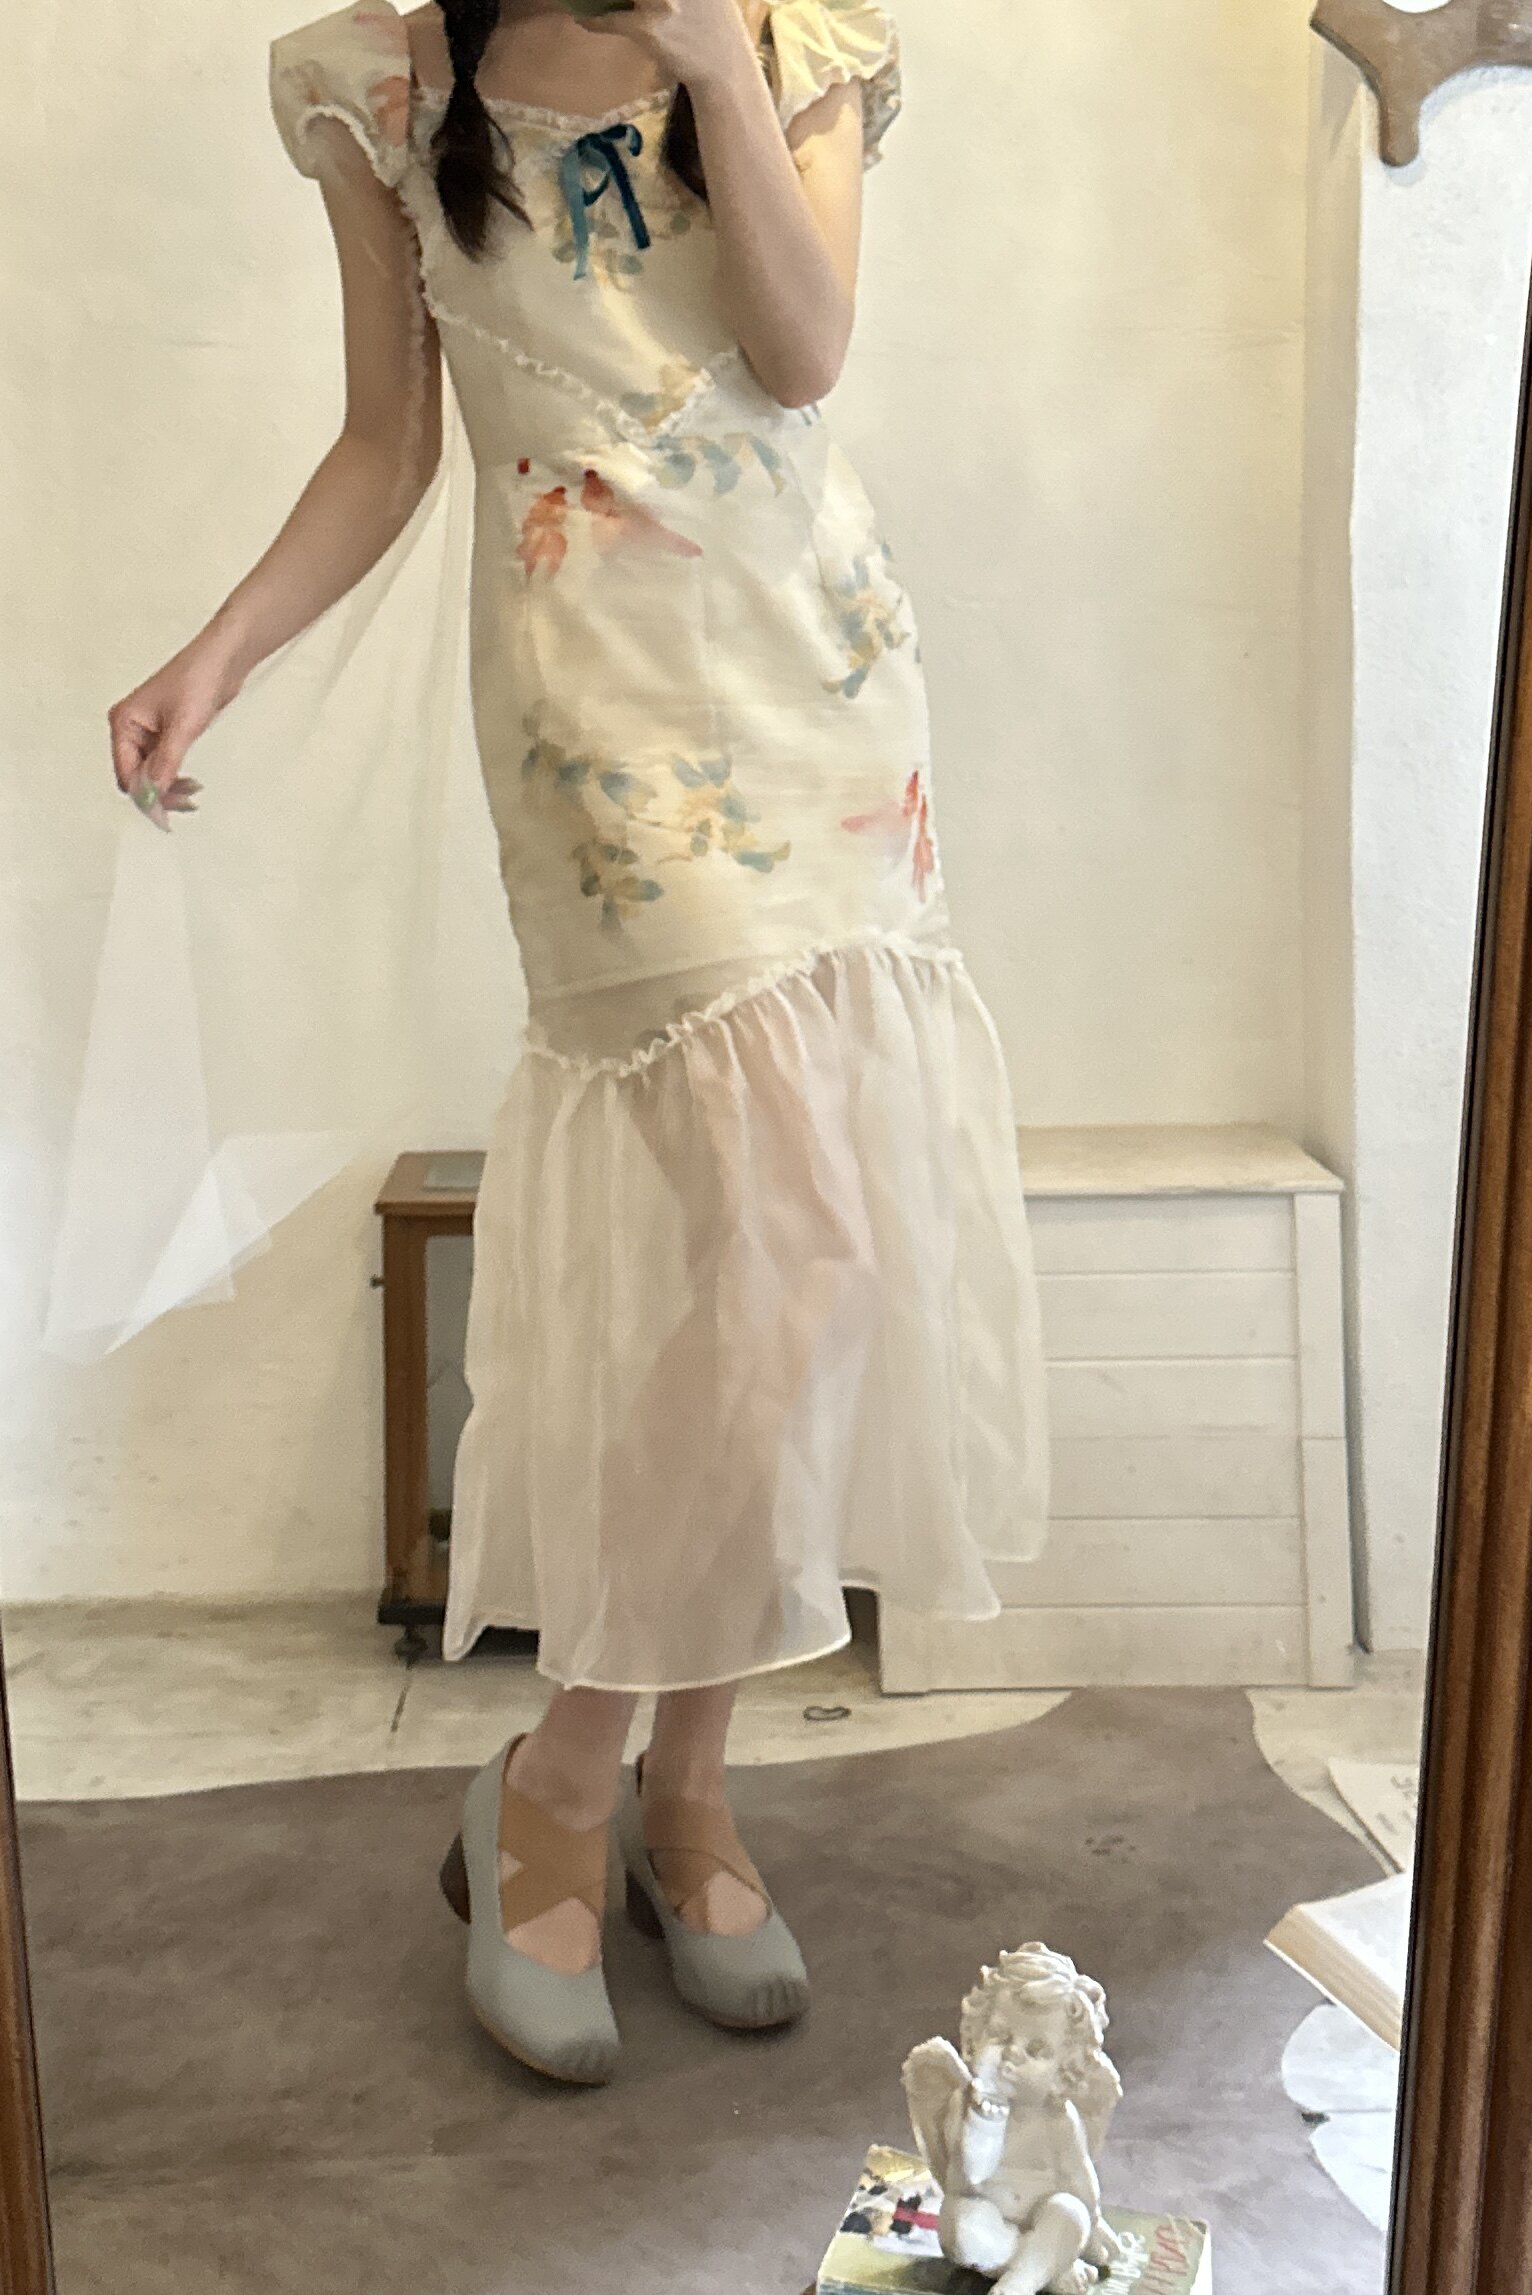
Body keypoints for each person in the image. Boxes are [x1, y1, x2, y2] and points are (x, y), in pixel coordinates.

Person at [107, 0, 1048, 2084]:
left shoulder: (792, 41)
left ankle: (659, 1780)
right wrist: (216, 655)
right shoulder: (376, 87)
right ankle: (570, 1782)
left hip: (822, 691)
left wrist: (714, 64)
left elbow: (804, 355)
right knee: (774, 1250)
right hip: (595, 723)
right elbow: (389, 444)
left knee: (800, 1270)